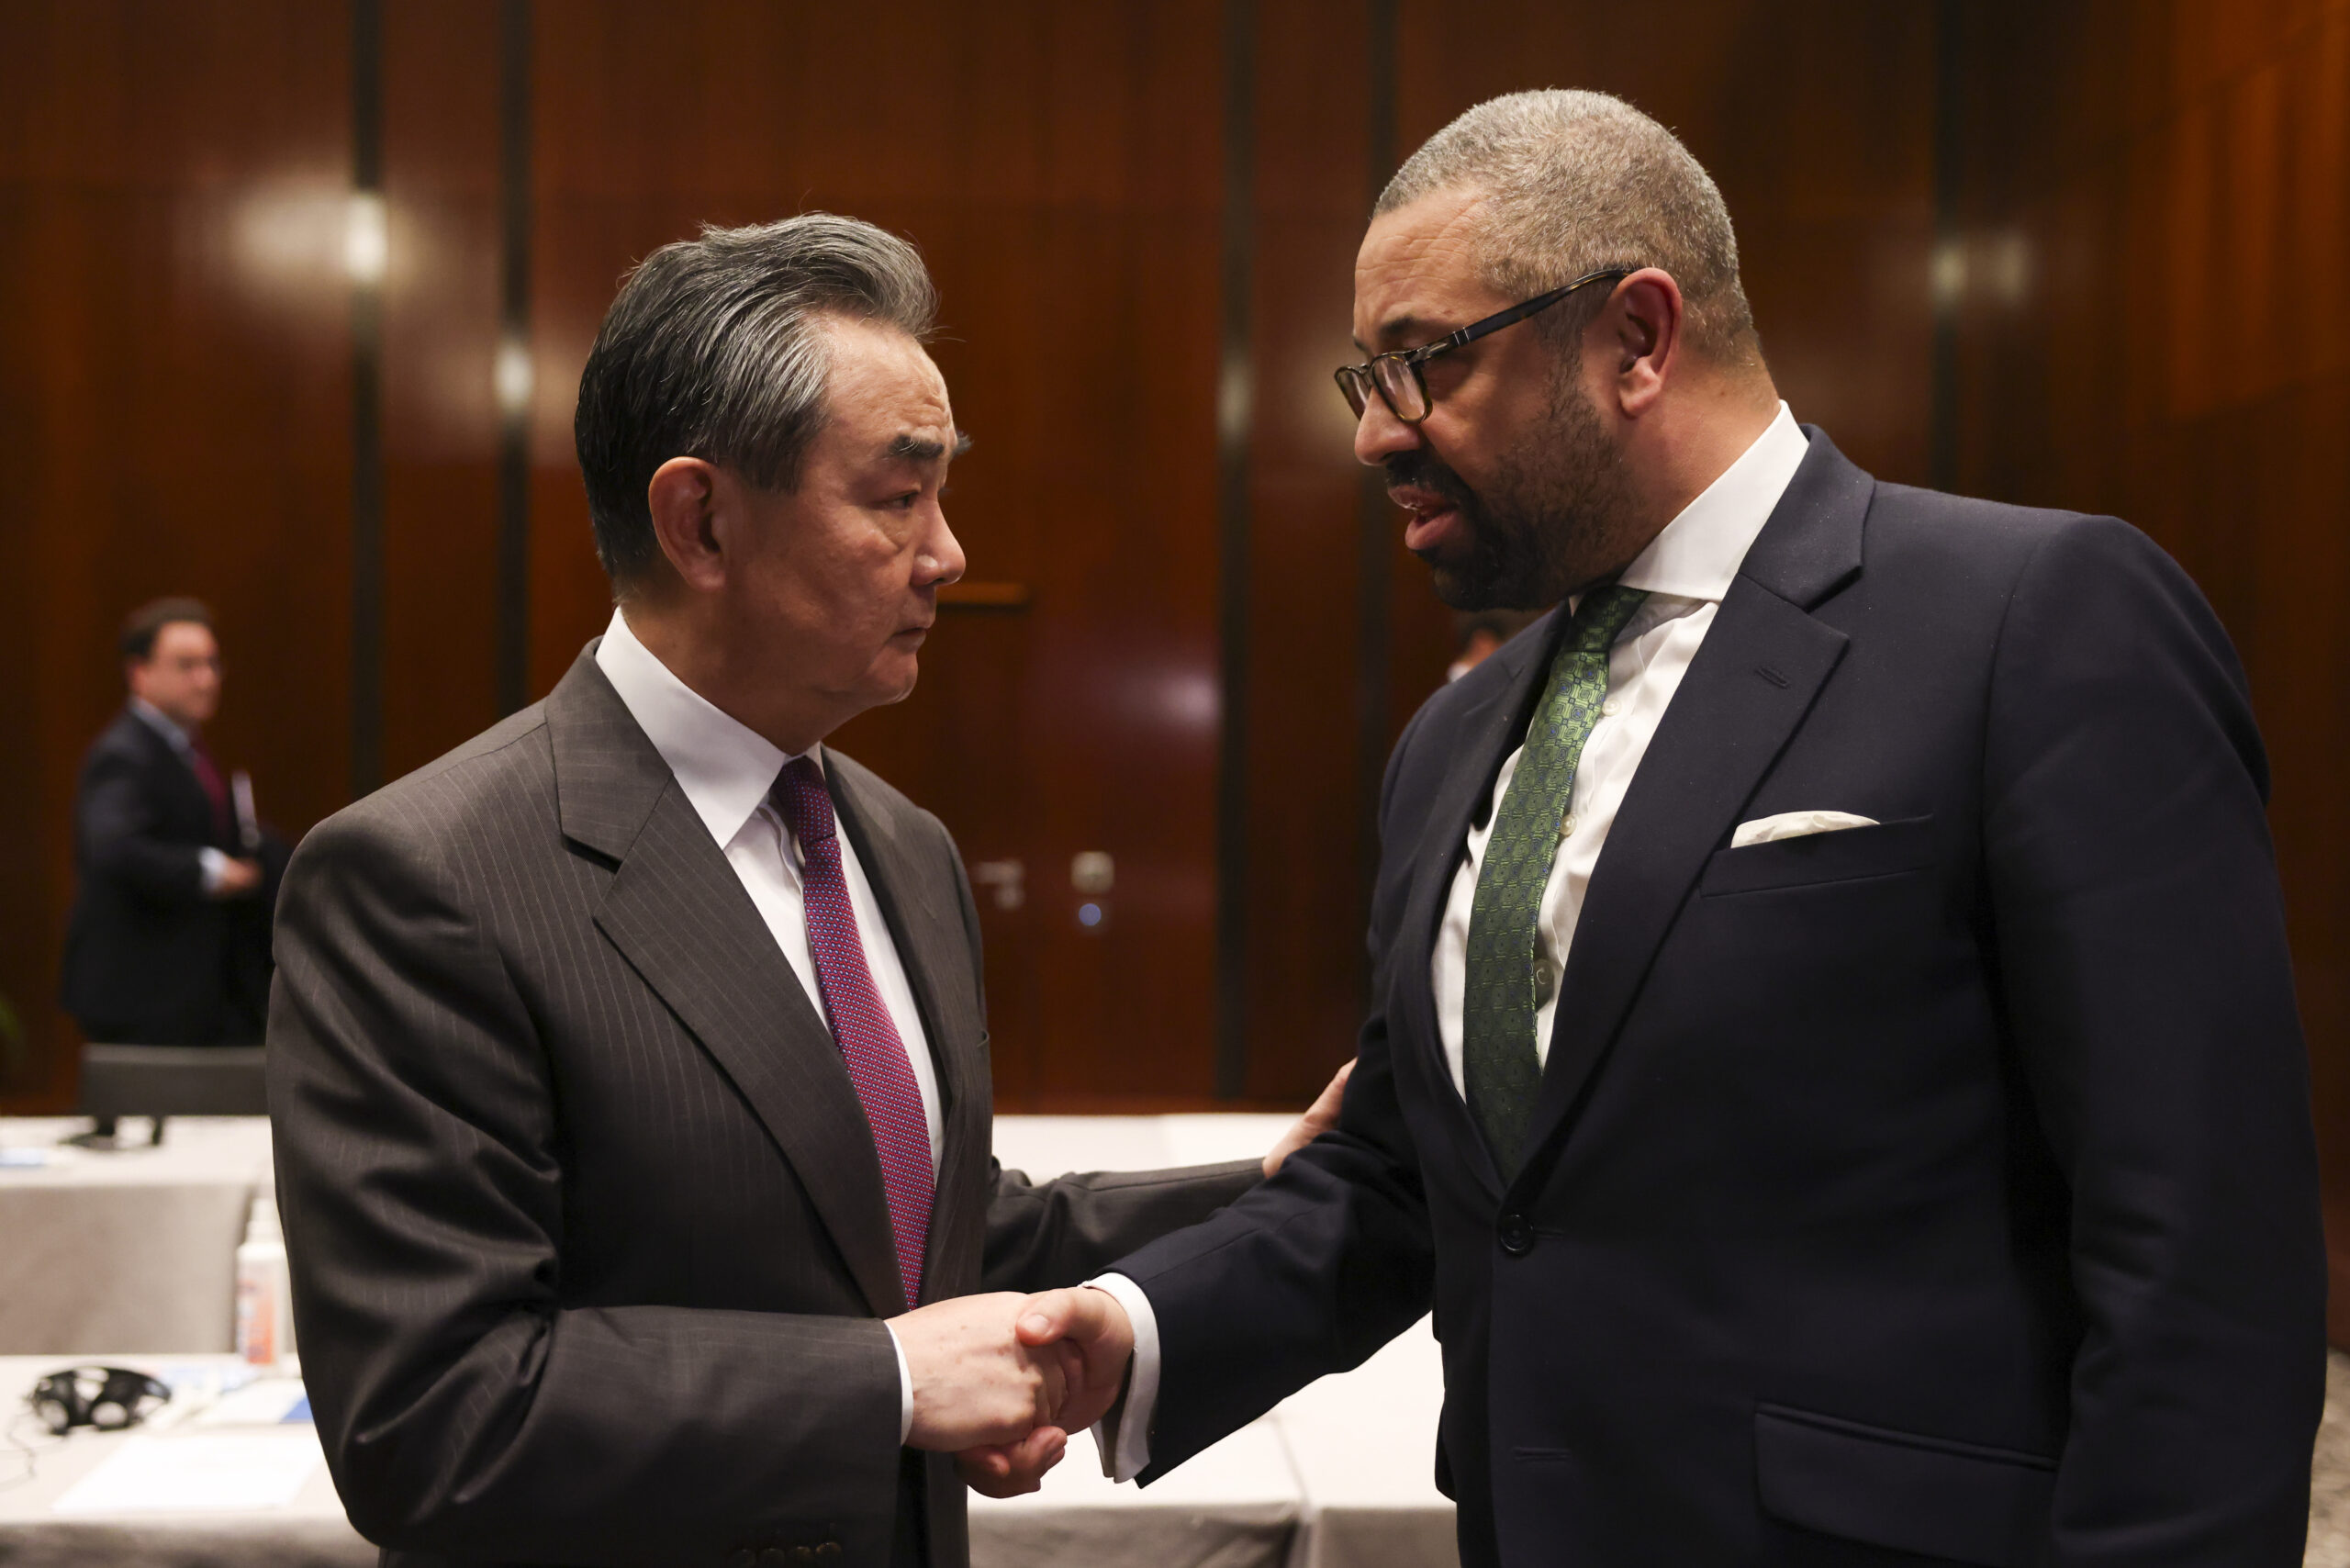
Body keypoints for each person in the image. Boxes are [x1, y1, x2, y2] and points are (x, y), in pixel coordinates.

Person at [1007, 90, 2325, 1564]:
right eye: (1361, 380)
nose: (1379, 436)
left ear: (1636, 336)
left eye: (1423, 365)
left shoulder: (2033, 620)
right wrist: (1124, 1336)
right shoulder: (1452, 740)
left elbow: (2202, 1252)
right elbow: (1408, 1180)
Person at [267, 215, 1342, 1568]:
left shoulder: (900, 846)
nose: (948, 553)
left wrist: (1266, 1188)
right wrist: (885, 1384)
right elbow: (432, 1417)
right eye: (899, 497)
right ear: (701, 520)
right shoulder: (429, 876)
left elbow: (925, 1232)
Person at [62, 599, 285, 1070]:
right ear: (139, 673)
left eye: (211, 663)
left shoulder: (183, 748)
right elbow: (114, 847)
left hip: (189, 990)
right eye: (187, 665)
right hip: (144, 991)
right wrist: (211, 870)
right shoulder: (123, 754)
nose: (206, 678)